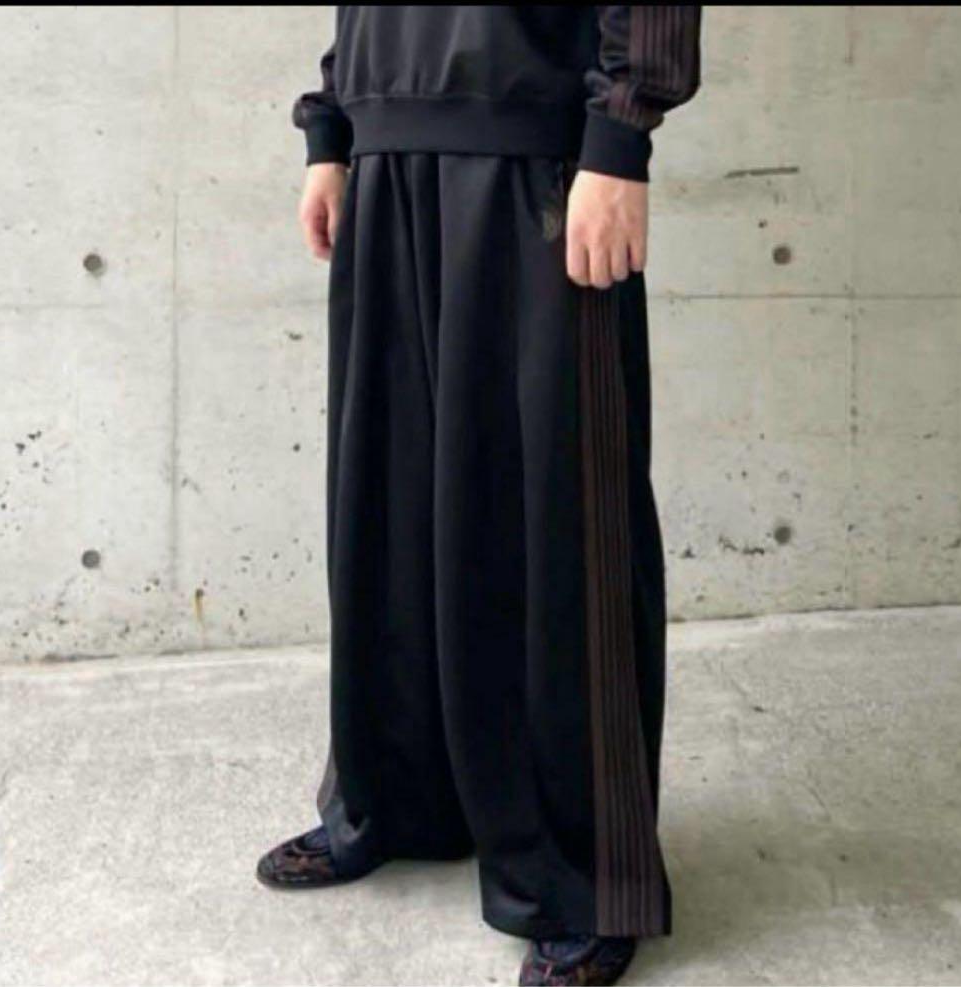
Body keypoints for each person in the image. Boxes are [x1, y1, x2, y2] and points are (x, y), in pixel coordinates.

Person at [257, 7, 702, 985]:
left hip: (535, 154)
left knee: (555, 520)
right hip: (386, 154)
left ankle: (586, 875)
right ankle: (404, 800)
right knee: (390, 511)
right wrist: (333, 126)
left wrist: (618, 137)